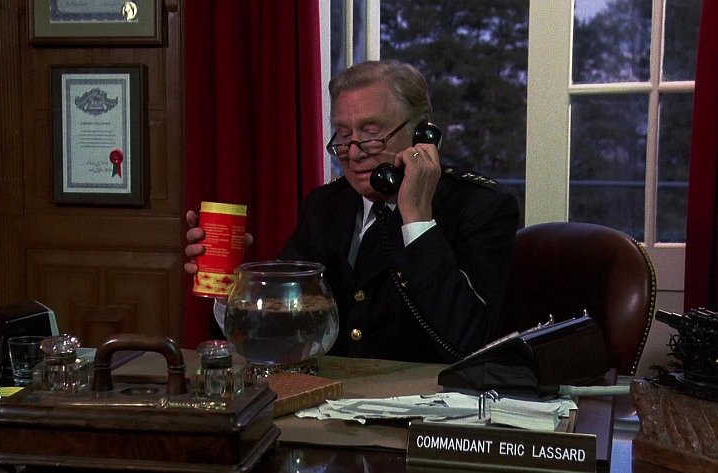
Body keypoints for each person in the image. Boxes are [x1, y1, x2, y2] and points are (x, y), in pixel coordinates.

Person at [185, 59, 519, 364]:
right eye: (344, 135)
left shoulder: (482, 207)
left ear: (421, 135)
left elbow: (475, 345)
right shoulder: (323, 207)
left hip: (425, 403)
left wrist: (417, 219)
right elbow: (278, 333)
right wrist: (232, 286)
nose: (354, 153)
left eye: (372, 134)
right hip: (330, 398)